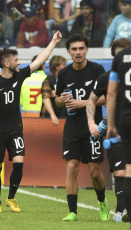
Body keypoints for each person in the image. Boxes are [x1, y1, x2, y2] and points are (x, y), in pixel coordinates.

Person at [0, 31, 62, 213]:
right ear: (6, 63)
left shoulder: (20, 75)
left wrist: (53, 42)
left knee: (18, 163)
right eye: (16, 60)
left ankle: (11, 198)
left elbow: (39, 61)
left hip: (15, 129)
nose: (19, 63)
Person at [55, 33, 109, 221]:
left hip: (93, 127)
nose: (78, 52)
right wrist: (60, 100)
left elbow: (106, 97)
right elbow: (58, 100)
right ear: (69, 52)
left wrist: (83, 103)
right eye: (74, 49)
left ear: (86, 50)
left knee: (94, 172)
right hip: (72, 128)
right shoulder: (63, 73)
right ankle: (72, 212)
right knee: (71, 167)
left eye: (81, 48)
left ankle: (102, 202)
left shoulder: (97, 70)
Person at [87, 38, 131, 222]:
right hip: (119, 131)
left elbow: (111, 95)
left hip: (124, 126)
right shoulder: (105, 78)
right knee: (121, 171)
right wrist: (93, 122)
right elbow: (92, 100)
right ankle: (121, 210)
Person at [106, 35, 131, 230]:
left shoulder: (120, 59)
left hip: (126, 120)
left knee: (129, 170)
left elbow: (112, 92)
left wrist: (111, 123)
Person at [41, 55, 67, 126]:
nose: (66, 67)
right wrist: (53, 115)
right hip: (51, 116)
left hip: (65, 115)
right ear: (57, 67)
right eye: (64, 65)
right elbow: (46, 98)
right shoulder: (48, 80)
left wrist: (58, 93)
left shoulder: (68, 79)